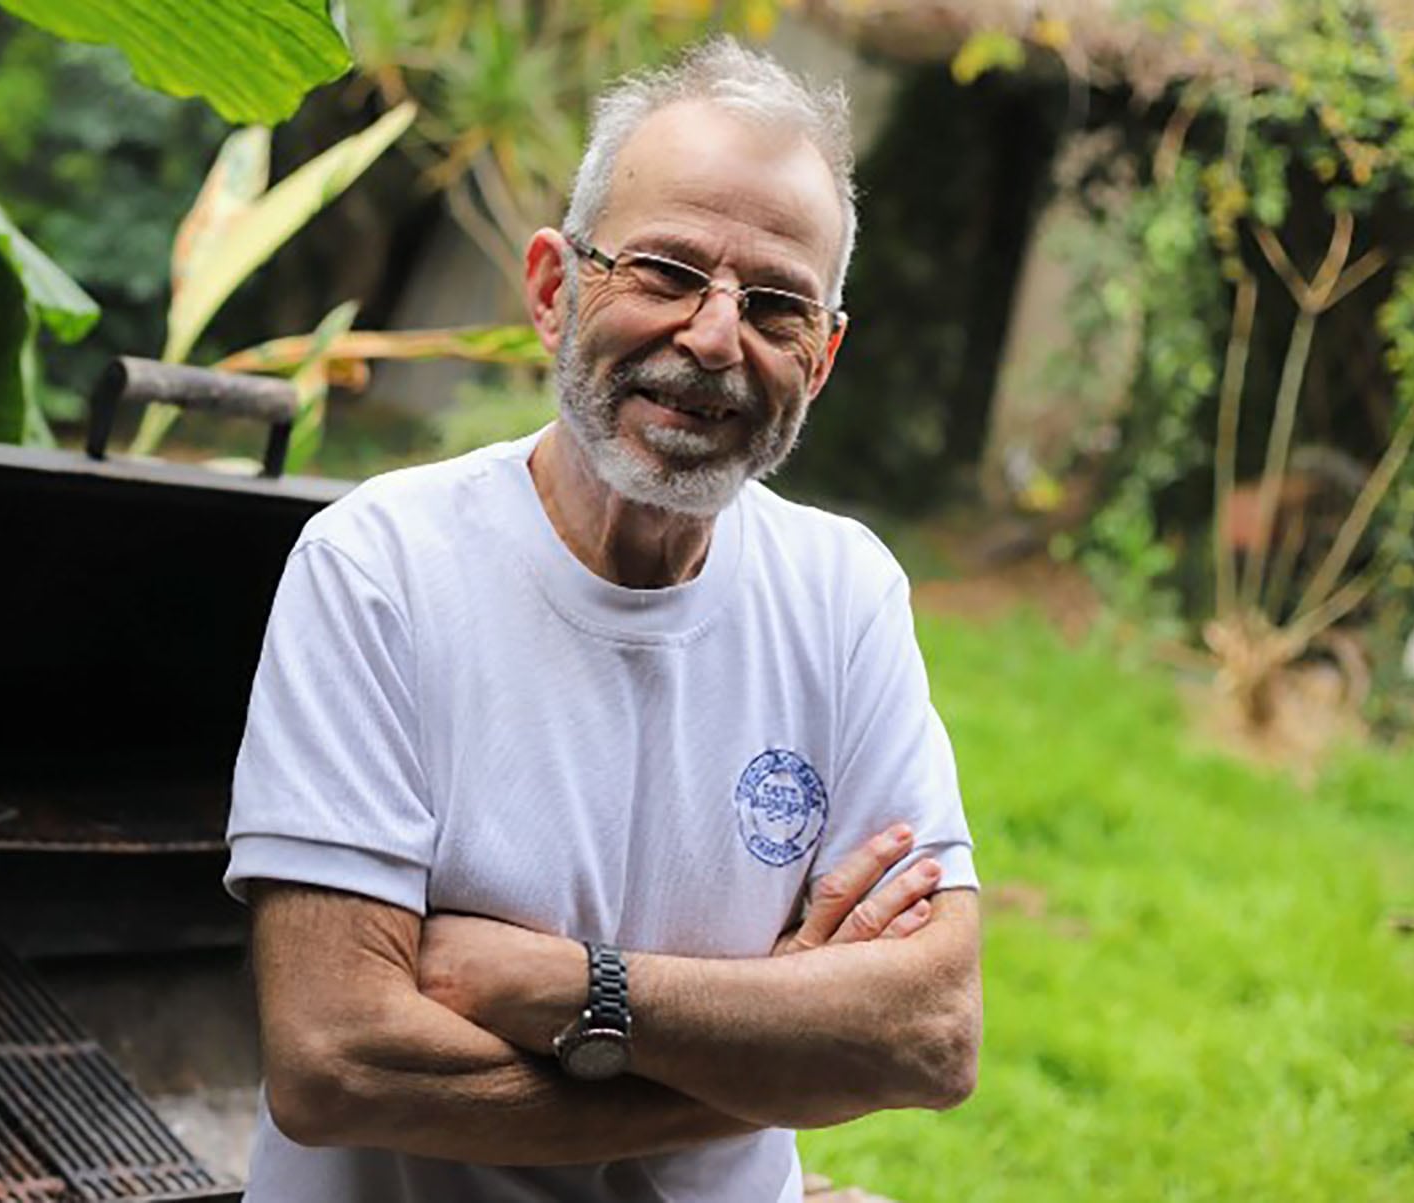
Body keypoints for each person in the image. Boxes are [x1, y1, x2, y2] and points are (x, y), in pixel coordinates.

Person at [223, 36, 981, 1203]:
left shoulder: (845, 593)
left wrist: (572, 989)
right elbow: (335, 1066)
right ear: (552, 289)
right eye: (666, 272)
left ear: (821, 358)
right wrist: (781, 1056)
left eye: (775, 304)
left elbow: (929, 1035)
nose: (714, 338)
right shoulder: (381, 566)